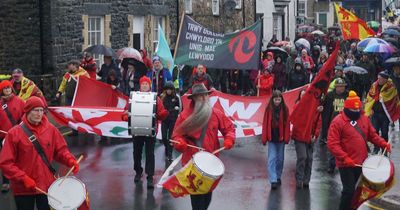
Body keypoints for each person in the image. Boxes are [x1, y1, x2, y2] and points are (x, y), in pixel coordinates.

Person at [0, 96, 81, 210]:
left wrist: (70, 160)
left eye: (41, 110)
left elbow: (60, 151)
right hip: (23, 188)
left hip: (46, 186)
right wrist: (23, 178)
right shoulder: (14, 133)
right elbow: (6, 163)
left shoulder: (51, 129)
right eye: (35, 110)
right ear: (27, 111)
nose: (39, 114)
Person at [172, 83, 235, 210]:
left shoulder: (216, 113)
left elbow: (229, 128)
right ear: (194, 98)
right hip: (193, 162)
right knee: (197, 199)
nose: (203, 98)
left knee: (207, 196)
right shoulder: (185, 116)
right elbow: (176, 136)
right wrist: (180, 143)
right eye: (199, 96)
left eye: (205, 95)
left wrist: (229, 139)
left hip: (211, 161)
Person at [327, 91, 391, 210]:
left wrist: (383, 144)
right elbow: (332, 144)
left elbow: (372, 135)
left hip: (360, 162)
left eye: (358, 109)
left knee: (354, 191)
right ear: (347, 108)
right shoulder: (338, 121)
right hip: (345, 163)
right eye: (354, 110)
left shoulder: (364, 119)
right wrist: (345, 158)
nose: (356, 112)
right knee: (348, 190)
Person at [123, 76, 168, 188]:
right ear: (140, 85)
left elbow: (161, 113)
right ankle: (138, 172)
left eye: (146, 84)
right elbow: (125, 111)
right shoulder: (133, 97)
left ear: (149, 86)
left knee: (150, 154)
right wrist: (125, 116)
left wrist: (163, 114)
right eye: (142, 84)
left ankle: (150, 177)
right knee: (137, 153)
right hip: (137, 130)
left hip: (151, 130)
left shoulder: (155, 98)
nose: (144, 86)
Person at [292, 89, 322, 188]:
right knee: (302, 157)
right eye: (302, 95)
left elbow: (318, 123)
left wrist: (315, 135)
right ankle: (299, 179)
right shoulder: (298, 107)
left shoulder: (314, 109)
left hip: (310, 138)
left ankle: (306, 180)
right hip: (300, 137)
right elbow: (297, 124)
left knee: (309, 159)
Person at [261, 90, 290, 189]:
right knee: (272, 159)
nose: (277, 101)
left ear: (281, 99)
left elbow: (287, 125)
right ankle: (273, 180)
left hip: (281, 139)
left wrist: (286, 138)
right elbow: (265, 123)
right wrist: (264, 138)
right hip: (272, 139)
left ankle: (278, 176)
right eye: (276, 99)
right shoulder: (268, 109)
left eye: (279, 99)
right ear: (272, 99)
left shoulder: (285, 109)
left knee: (280, 159)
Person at [0, 80, 25, 193]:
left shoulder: (19, 101)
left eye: (9, 88)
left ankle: (22, 178)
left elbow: (26, 113)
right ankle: (5, 181)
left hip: (18, 134)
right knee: (6, 159)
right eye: (5, 88)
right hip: (3, 136)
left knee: (21, 157)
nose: (7, 90)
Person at [364, 71, 397, 154]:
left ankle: (384, 149)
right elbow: (369, 97)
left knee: (384, 132)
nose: (379, 80)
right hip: (375, 113)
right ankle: (376, 148)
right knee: (375, 132)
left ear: (385, 79)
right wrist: (369, 108)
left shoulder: (391, 87)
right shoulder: (374, 86)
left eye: (381, 78)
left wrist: (381, 96)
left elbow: (392, 99)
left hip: (385, 114)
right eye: (378, 78)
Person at [321, 78, 349, 173]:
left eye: (342, 87)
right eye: (339, 87)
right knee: (333, 146)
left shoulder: (348, 95)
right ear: (335, 87)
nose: (340, 88)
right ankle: (331, 165)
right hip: (333, 125)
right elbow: (325, 112)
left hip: (346, 125)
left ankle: (343, 165)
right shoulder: (329, 96)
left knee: (344, 146)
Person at [160, 81, 181, 165]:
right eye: (167, 89)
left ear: (172, 90)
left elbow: (180, 108)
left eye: (170, 89)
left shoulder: (176, 97)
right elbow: (159, 108)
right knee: (164, 137)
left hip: (173, 120)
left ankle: (170, 154)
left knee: (171, 138)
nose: (168, 91)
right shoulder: (162, 97)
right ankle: (166, 147)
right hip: (164, 120)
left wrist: (176, 113)